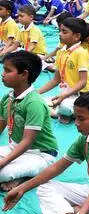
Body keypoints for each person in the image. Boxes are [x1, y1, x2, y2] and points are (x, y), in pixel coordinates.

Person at [0, 51, 58, 191]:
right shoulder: (8, 98)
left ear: (24, 74)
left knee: (3, 173)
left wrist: (3, 162)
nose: (2, 74)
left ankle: (26, 176)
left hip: (40, 154)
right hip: (15, 148)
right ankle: (18, 172)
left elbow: (27, 141)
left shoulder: (34, 103)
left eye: (8, 70)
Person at [38, 17, 89, 122]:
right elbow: (56, 80)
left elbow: (83, 82)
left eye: (64, 32)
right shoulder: (61, 52)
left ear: (77, 36)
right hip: (66, 92)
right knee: (36, 101)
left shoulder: (81, 52)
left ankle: (62, 111)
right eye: (60, 31)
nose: (60, 34)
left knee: (65, 107)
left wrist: (64, 96)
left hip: (81, 94)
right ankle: (62, 111)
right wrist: (37, 92)